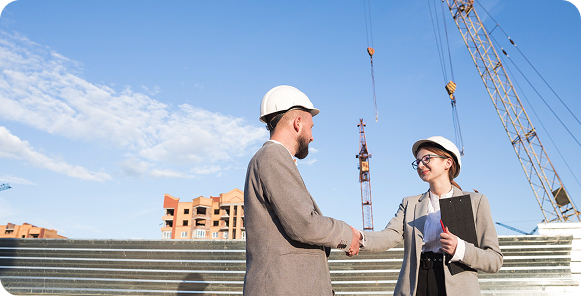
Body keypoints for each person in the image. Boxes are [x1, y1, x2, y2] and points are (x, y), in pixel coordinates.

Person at [243, 85, 360, 296]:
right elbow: (304, 223)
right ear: (297, 123)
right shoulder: (273, 156)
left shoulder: (271, 158)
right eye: (311, 127)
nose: (312, 136)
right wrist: (346, 234)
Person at [361, 136, 503, 296]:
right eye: (417, 161)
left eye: (426, 158)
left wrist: (460, 249)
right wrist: (358, 237)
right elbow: (389, 235)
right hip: (416, 285)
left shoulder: (475, 201)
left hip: (455, 288)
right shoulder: (410, 203)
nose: (420, 165)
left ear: (448, 162)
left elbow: (494, 260)